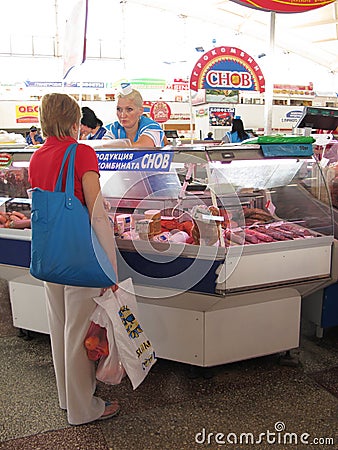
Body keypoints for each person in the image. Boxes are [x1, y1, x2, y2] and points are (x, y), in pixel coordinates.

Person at [28, 93, 119, 425]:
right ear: (74, 120)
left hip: (50, 256)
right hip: (80, 256)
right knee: (80, 334)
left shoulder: (37, 156)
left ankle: (68, 399)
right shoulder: (81, 153)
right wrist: (110, 264)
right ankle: (84, 410)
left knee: (59, 328)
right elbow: (96, 213)